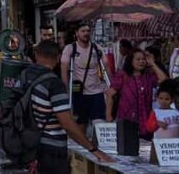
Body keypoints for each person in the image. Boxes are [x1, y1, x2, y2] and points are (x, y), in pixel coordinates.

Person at [22, 40, 114, 173]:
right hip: (51, 149)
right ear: (58, 58)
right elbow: (67, 124)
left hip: (30, 144)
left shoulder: (25, 76)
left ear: (36, 54)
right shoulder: (54, 83)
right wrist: (94, 150)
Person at [61, 23, 111, 134]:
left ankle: (98, 147)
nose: (86, 33)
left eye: (88, 31)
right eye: (83, 31)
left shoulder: (96, 48)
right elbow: (64, 69)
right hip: (79, 92)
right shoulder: (70, 49)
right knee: (80, 124)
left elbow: (106, 66)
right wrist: (65, 89)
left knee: (99, 124)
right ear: (76, 33)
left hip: (96, 92)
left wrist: (111, 85)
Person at [106, 48, 167, 138]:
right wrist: (108, 115)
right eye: (138, 59)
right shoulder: (123, 75)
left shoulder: (148, 76)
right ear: (131, 61)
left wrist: (153, 64)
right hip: (127, 120)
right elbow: (110, 94)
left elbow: (164, 80)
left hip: (145, 122)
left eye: (143, 59)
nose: (141, 62)